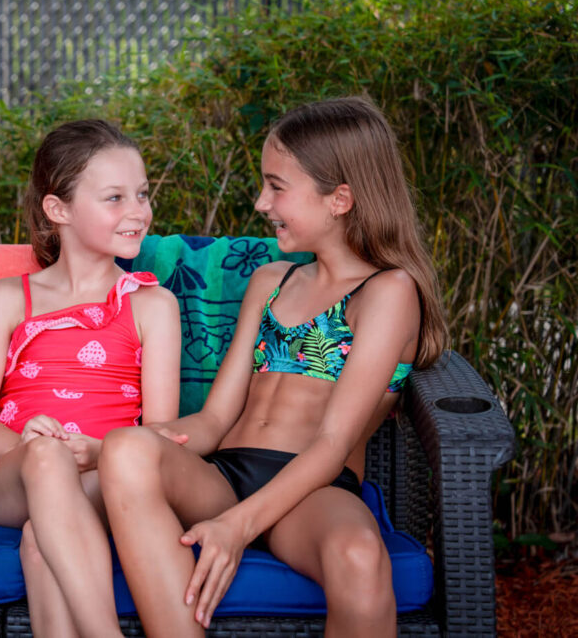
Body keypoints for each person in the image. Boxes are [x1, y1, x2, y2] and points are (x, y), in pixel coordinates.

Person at [99, 96, 449, 637]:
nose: (262, 203)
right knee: (126, 447)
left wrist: (237, 526)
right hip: (226, 473)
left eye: (276, 186)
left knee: (359, 555)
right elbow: (215, 421)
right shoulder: (272, 280)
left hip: (314, 490)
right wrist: (130, 447)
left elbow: (333, 443)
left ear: (340, 199)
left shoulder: (387, 292)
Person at [0, 119, 181, 637]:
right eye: (114, 198)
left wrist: (101, 452)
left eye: (142, 195)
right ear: (58, 210)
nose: (138, 212)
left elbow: (162, 430)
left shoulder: (153, 305)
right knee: (46, 455)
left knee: (41, 540)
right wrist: (25, 443)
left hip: (104, 481)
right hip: (13, 480)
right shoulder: (11, 297)